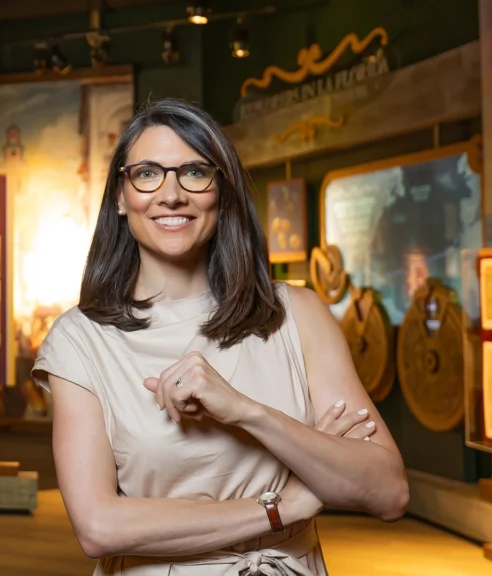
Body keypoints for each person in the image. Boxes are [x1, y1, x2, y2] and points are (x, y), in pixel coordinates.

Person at [32, 99, 408, 575]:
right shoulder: (81, 340)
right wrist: (283, 507)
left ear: (222, 192)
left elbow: (389, 492)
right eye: (147, 174)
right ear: (121, 198)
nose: (171, 195)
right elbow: (99, 527)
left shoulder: (298, 315)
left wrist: (247, 412)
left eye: (194, 172)